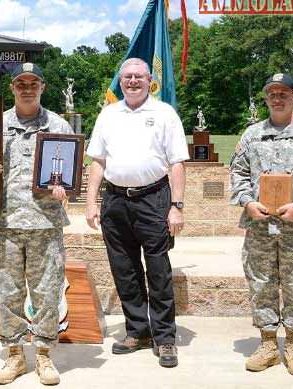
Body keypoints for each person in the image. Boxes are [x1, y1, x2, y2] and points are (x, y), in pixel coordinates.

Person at [0, 62, 73, 385]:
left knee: (47, 292)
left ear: (42, 87)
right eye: (21, 84)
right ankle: (14, 356)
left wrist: (63, 186)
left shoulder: (57, 126)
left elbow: (70, 177)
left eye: (33, 83)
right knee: (8, 293)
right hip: (6, 226)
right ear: (13, 88)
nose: (27, 89)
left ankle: (43, 356)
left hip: (45, 225)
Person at [85, 58, 189, 368]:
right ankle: (137, 331)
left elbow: (177, 163)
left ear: (149, 81)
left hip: (153, 199)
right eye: (127, 77)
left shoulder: (164, 113)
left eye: (139, 77)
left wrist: (177, 206)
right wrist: (92, 202)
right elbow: (98, 161)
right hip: (115, 202)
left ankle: (165, 337)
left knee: (157, 270)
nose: (132, 81)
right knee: (124, 270)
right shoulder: (108, 114)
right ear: (120, 81)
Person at [229, 73, 293, 376]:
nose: (278, 98)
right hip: (260, 226)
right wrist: (248, 202)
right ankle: (267, 344)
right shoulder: (251, 135)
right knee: (261, 284)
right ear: (266, 98)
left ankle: (292, 344)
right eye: (272, 93)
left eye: (284, 93)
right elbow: (237, 173)